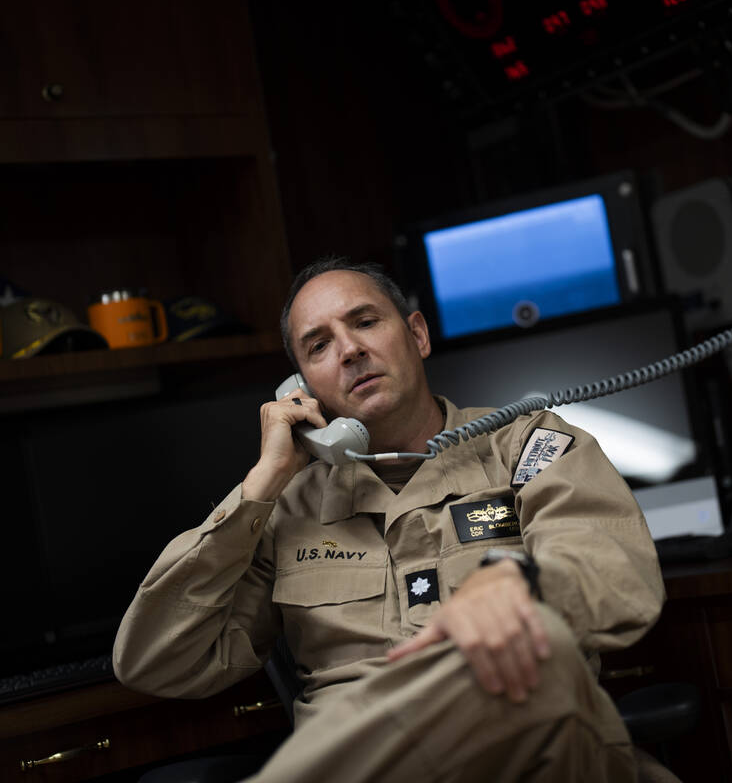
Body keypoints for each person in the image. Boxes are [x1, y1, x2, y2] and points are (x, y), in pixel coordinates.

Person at [113, 257, 668, 782]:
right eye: (319, 345)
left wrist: (518, 586)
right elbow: (156, 661)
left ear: (417, 336)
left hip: (523, 751)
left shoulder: (526, 445)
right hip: (368, 760)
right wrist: (260, 485)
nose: (349, 350)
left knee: (524, 632)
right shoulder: (287, 507)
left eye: (365, 322)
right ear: (301, 390)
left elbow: (618, 577)